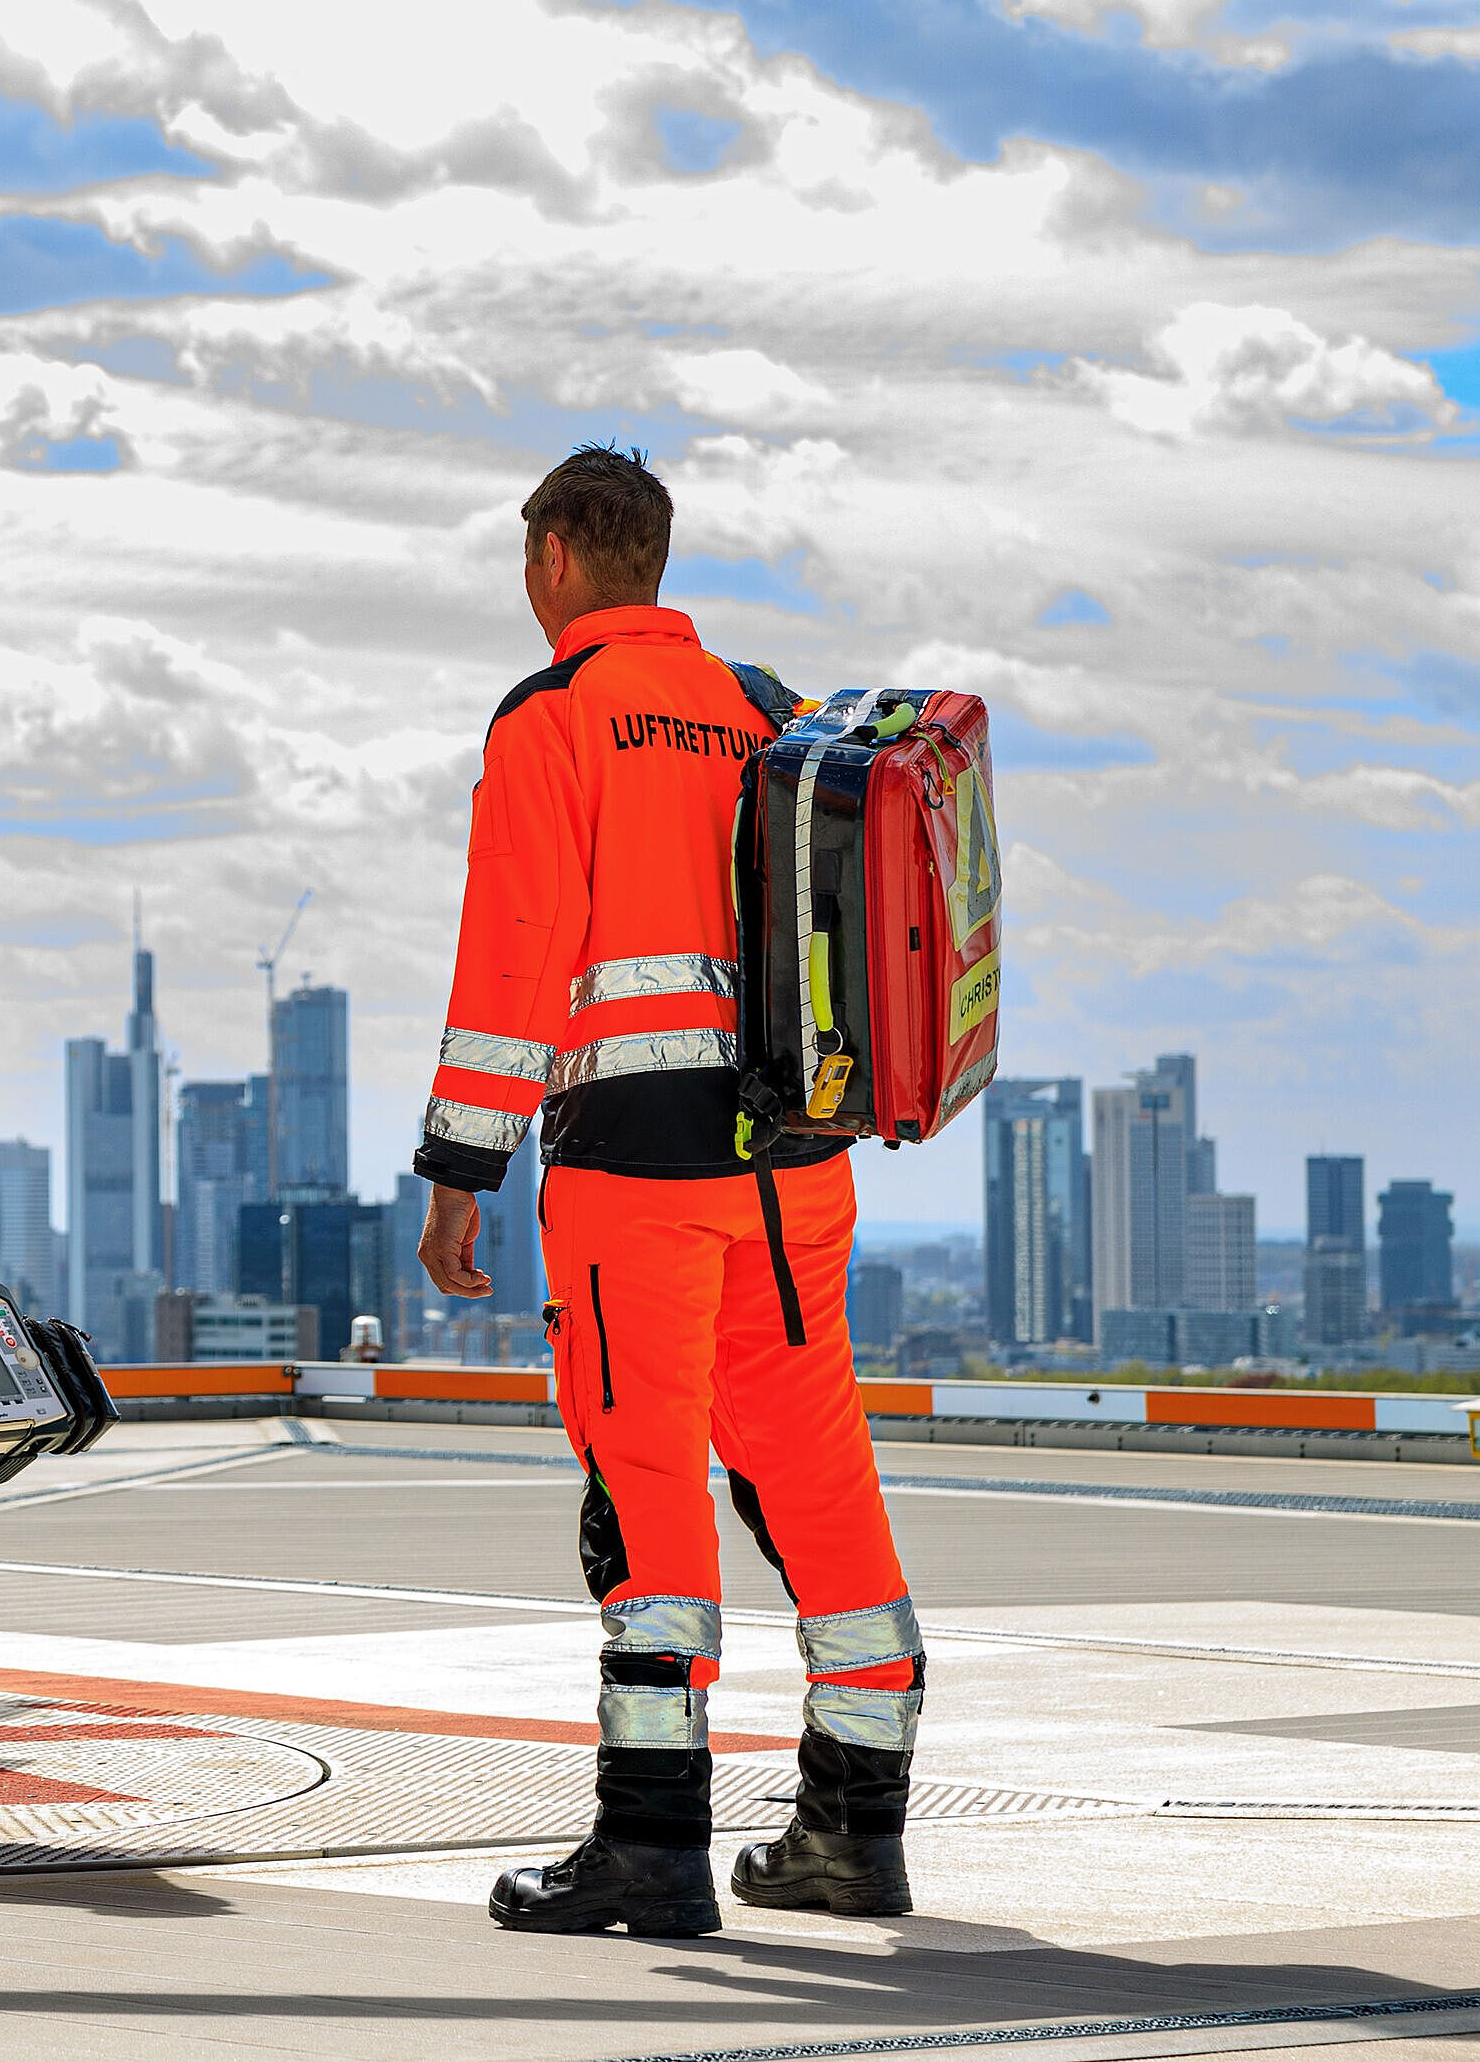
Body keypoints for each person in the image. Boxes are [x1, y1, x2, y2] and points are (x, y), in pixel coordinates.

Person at [413, 446, 922, 1938]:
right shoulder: (766, 707)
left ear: (561, 556)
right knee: (817, 1469)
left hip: (637, 1173)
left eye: (527, 557)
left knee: (647, 1487)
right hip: (794, 1172)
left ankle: (649, 1844)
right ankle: (855, 1826)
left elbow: (513, 958)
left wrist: (462, 1168)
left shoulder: (554, 715)